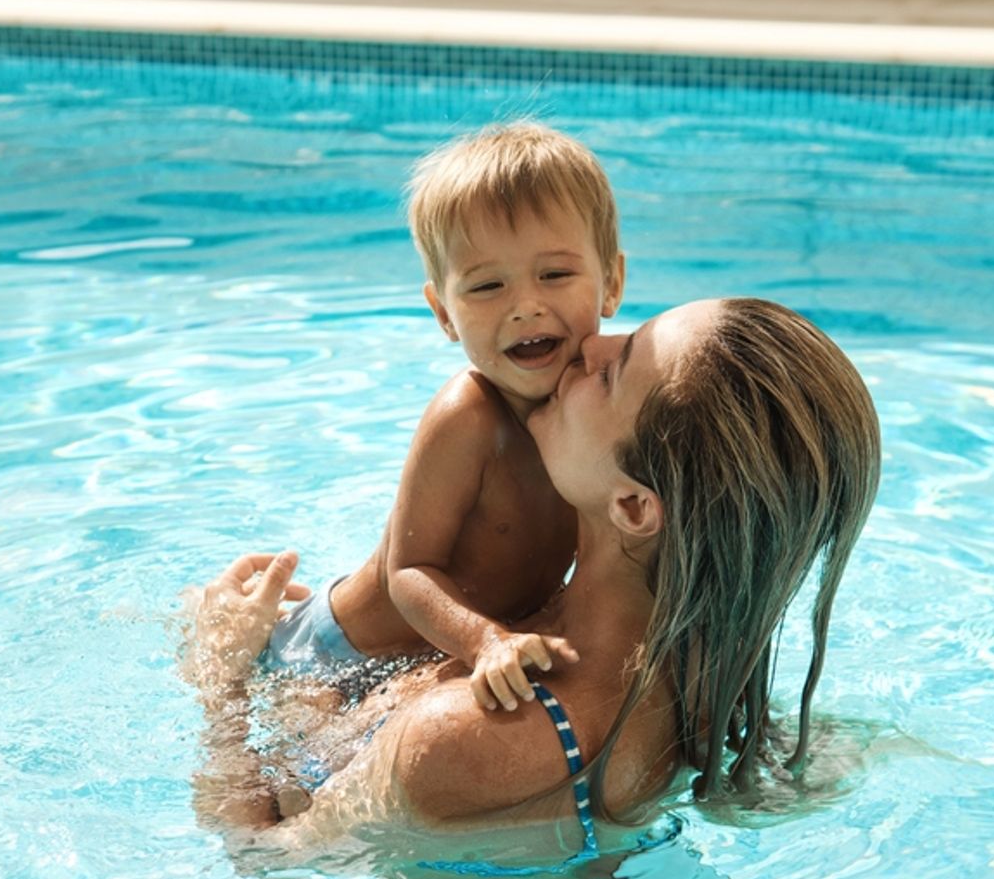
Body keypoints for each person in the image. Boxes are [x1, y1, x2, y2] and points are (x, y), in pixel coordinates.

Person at [185, 298, 881, 851]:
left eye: (613, 372)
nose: (590, 345)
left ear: (635, 505)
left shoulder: (478, 736)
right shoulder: (698, 682)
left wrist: (220, 677)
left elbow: (264, 858)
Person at [267, 121, 626, 713]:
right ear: (444, 313)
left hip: (438, 657)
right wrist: (485, 643)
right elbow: (408, 572)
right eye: (487, 286)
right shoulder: (469, 417)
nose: (525, 306)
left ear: (610, 282)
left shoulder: (609, 408)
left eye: (555, 275)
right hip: (337, 656)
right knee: (281, 796)